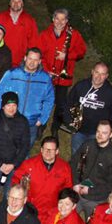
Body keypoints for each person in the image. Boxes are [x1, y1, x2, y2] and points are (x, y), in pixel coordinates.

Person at [37, 8, 87, 137]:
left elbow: (82, 51)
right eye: (57, 18)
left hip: (63, 77)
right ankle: (41, 125)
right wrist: (46, 69)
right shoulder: (44, 35)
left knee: (60, 103)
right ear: (53, 19)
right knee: (43, 101)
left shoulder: (74, 34)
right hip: (47, 74)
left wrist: (67, 55)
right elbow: (39, 54)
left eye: (63, 19)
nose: (59, 22)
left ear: (66, 21)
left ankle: (55, 127)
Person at [0, 47, 55, 149]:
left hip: (31, 123)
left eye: (35, 60)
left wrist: (42, 119)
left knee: (24, 153)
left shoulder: (45, 78)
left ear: (39, 61)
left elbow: (49, 100)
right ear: (25, 58)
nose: (32, 62)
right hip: (10, 120)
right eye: (30, 58)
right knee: (5, 150)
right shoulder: (12, 74)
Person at [0, 91, 30, 219]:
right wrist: (0, 165)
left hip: (13, 167)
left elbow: (25, 146)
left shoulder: (23, 122)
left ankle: (5, 218)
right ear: (3, 106)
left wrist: (14, 164)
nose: (11, 108)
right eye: (8, 105)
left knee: (9, 195)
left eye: (14, 105)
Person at [69, 120, 112, 221]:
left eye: (104, 133)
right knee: (66, 219)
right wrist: (75, 182)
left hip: (96, 201)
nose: (100, 135)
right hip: (77, 192)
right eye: (98, 131)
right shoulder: (88, 145)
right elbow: (73, 162)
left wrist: (90, 190)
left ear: (111, 134)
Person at [12, 136, 73, 220]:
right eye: (45, 149)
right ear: (41, 150)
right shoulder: (28, 165)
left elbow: (68, 189)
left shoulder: (65, 168)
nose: (48, 152)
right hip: (30, 210)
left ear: (57, 151)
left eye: (51, 150)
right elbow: (15, 181)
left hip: (51, 212)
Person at [66, 61, 112, 156]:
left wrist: (106, 131)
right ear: (92, 72)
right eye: (97, 72)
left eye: (102, 74)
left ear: (107, 76)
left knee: (93, 158)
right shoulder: (81, 86)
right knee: (76, 155)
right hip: (79, 131)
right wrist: (69, 121)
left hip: (97, 134)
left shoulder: (111, 93)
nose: (98, 77)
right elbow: (68, 103)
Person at [0, 0, 39, 67]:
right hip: (0, 59)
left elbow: (34, 42)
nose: (16, 4)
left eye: (19, 1)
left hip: (20, 63)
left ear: (23, 4)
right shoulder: (0, 17)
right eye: (13, 1)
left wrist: (29, 60)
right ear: (9, 3)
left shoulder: (29, 20)